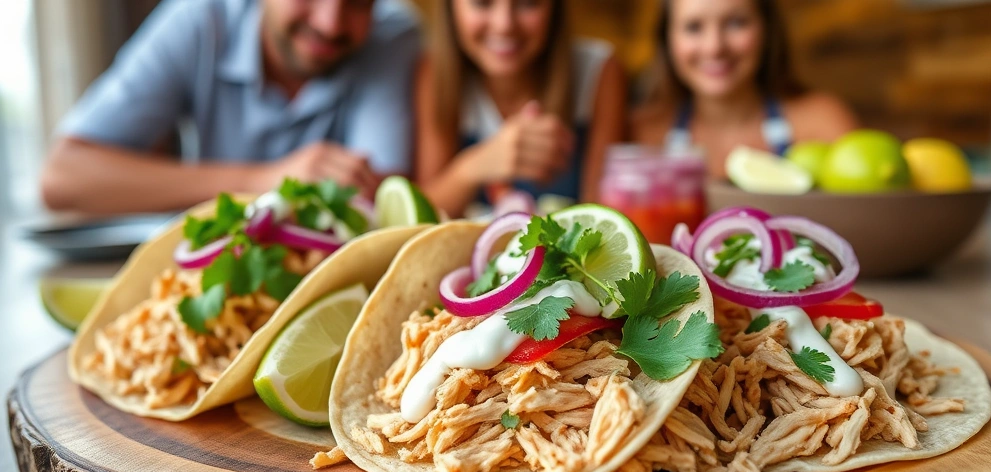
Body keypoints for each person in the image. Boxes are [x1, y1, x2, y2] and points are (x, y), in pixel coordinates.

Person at [40, 0, 421, 214]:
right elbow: (63, 177)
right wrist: (263, 180)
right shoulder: (199, 21)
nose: (330, 23)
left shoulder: (392, 39)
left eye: (358, 2)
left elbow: (381, 199)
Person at [414, 0, 627, 217]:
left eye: (528, 2)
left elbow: (603, 218)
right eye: (482, 2)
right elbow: (421, 217)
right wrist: (475, 165)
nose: (504, 25)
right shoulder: (437, 74)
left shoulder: (599, 73)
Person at [632, 0, 858, 179]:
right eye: (693, 27)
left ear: (767, 29)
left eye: (736, 23)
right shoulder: (639, 135)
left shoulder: (824, 122)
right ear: (667, 38)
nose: (714, 47)